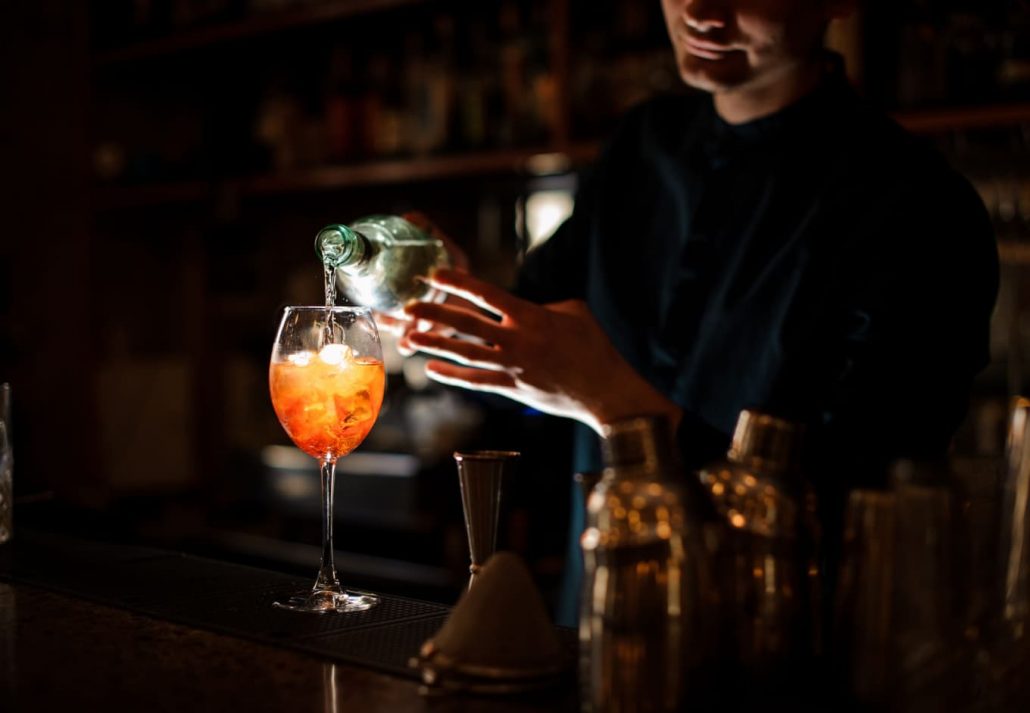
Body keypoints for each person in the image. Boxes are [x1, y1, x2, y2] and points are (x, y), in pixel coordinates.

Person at [388, 0, 999, 622]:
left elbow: (858, 508)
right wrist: (453, 307)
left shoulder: (919, 207)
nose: (703, 10)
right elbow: (523, 374)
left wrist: (619, 406)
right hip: (596, 621)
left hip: (776, 656)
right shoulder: (641, 146)